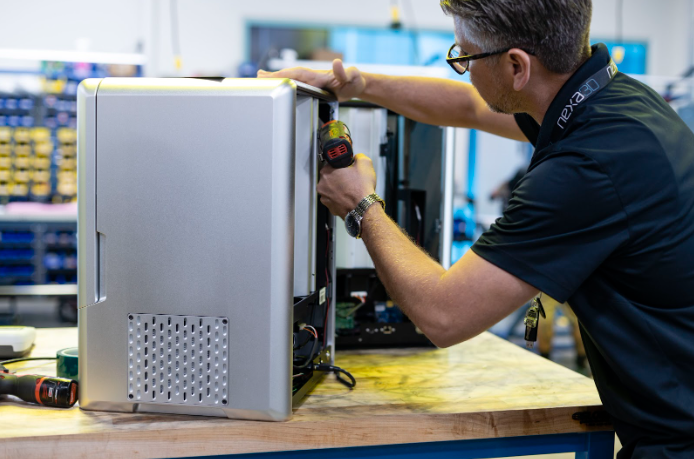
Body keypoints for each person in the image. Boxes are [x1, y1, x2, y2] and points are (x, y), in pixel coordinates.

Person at [259, 1, 694, 456]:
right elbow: (468, 106)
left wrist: (360, 205)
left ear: (516, 66)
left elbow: (443, 315)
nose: (463, 69)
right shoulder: (618, 101)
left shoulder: (587, 168)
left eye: (465, 56)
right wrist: (359, 85)